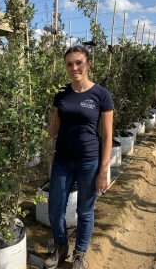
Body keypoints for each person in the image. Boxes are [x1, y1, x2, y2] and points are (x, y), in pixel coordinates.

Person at [44, 45, 114, 269]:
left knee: (84, 211)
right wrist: (30, 134)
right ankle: (61, 247)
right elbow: (55, 127)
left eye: (78, 63)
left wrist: (103, 170)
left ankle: (80, 254)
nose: (74, 67)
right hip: (62, 161)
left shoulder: (101, 95)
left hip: (89, 162)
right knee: (55, 210)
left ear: (88, 64)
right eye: (69, 64)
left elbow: (106, 135)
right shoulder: (62, 94)